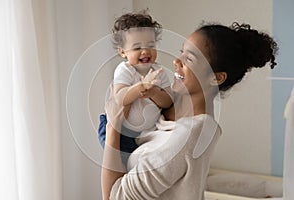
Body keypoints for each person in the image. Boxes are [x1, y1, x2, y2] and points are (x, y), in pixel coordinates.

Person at [101, 22, 278, 200]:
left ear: (216, 78)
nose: (176, 61)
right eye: (181, 52)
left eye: (190, 59)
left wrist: (113, 127)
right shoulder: (163, 105)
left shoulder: (189, 136)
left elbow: (115, 197)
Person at [98, 12, 173, 165]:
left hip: (144, 132)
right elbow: (120, 98)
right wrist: (141, 87)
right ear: (123, 52)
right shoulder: (125, 70)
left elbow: (168, 101)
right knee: (120, 166)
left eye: (150, 46)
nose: (145, 51)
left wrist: (152, 92)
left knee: (141, 165)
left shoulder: (159, 72)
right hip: (121, 131)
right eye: (137, 47)